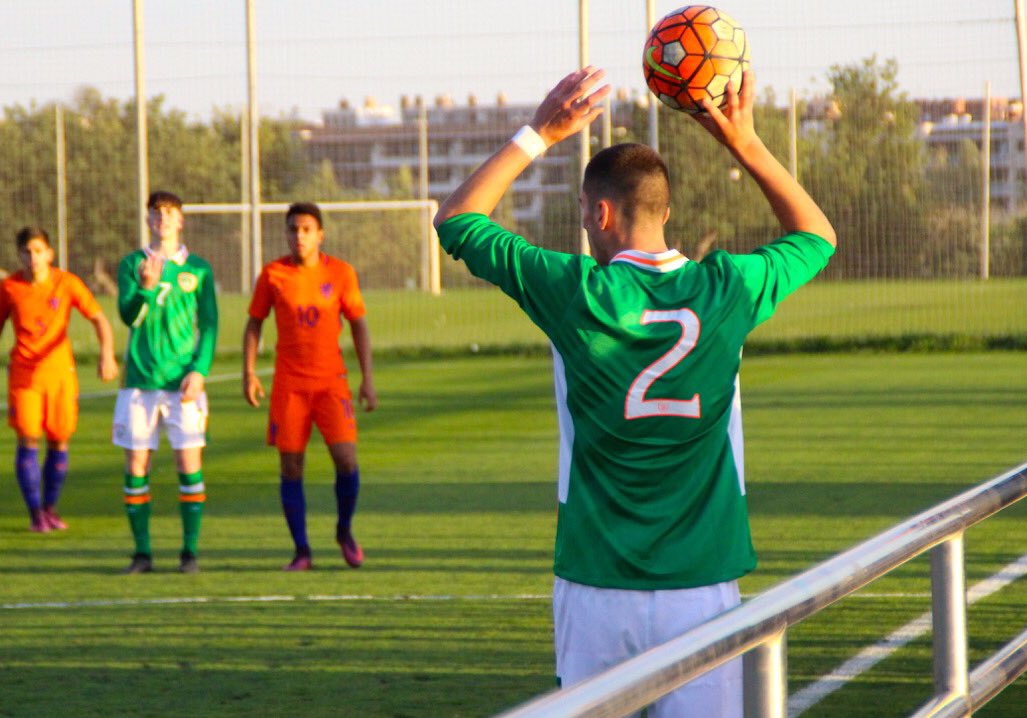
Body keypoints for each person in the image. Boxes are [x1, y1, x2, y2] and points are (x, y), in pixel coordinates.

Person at [433, 67, 836, 717]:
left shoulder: (575, 291)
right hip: (700, 587)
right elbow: (817, 235)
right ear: (665, 211)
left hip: (594, 586)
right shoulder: (726, 288)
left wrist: (540, 132)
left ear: (599, 212)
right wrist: (742, 141)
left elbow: (457, 218)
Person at [242, 202, 377, 572]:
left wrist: (367, 378)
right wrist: (249, 372)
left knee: (346, 459)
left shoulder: (342, 273)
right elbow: (254, 323)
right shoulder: (272, 275)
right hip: (289, 386)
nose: (298, 236)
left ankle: (344, 531)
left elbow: (359, 325)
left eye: (305, 229)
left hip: (332, 383)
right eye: (292, 230)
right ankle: (301, 550)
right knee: (290, 466)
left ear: (320, 234)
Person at [113, 191, 218, 574]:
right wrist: (144, 286)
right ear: (148, 220)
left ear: (180, 221)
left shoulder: (200, 270)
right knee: (136, 464)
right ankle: (142, 554)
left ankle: (189, 552)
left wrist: (200, 370)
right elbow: (129, 318)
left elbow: (208, 325)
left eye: (169, 213)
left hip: (181, 385)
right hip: (139, 383)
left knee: (188, 463)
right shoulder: (131, 263)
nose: (162, 219)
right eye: (156, 213)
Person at [0, 227, 119, 532]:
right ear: (19, 255)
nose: (33, 258)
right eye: (27, 252)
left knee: (60, 439)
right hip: (24, 378)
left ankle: (51, 507)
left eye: (39, 251)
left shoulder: (66, 283)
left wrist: (107, 354)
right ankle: (35, 513)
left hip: (60, 376)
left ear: (50, 253)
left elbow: (99, 319)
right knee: (28, 437)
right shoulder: (10, 288)